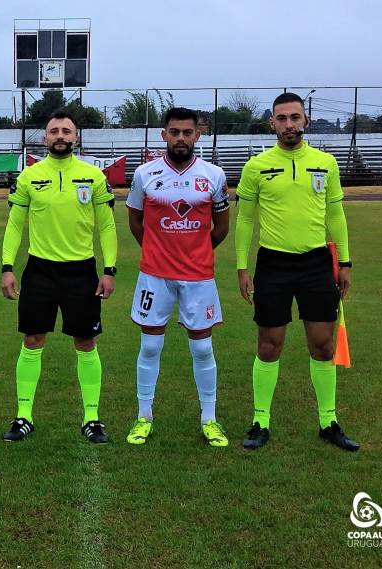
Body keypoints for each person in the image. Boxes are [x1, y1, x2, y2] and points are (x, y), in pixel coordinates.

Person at [235, 92, 359, 451]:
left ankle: (328, 421)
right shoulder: (256, 166)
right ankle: (261, 421)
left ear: (305, 120)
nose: (289, 124)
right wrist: (242, 267)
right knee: (269, 345)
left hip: (316, 264)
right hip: (272, 264)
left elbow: (336, 216)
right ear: (271, 123)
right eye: (281, 118)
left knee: (323, 345)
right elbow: (245, 219)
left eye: (295, 117)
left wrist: (345, 262)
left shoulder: (325, 162)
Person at [0, 110, 118, 444]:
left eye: (67, 130)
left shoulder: (93, 176)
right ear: (45, 137)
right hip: (40, 270)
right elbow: (14, 225)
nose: (61, 136)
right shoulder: (29, 177)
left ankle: (92, 418)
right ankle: (24, 416)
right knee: (33, 340)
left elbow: (107, 226)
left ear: (76, 137)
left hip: (81, 271)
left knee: (86, 342)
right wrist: (7, 266)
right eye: (54, 131)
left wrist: (109, 270)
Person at [125, 107, 230, 447]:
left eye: (187, 132)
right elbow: (136, 222)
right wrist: (158, 251)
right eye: (175, 132)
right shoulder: (145, 174)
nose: (181, 138)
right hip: (155, 275)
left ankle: (209, 419)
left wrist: (195, 251)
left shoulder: (214, 175)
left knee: (202, 348)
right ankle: (144, 416)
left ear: (198, 134)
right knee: (150, 344)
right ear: (164, 135)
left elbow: (221, 227)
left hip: (199, 277)